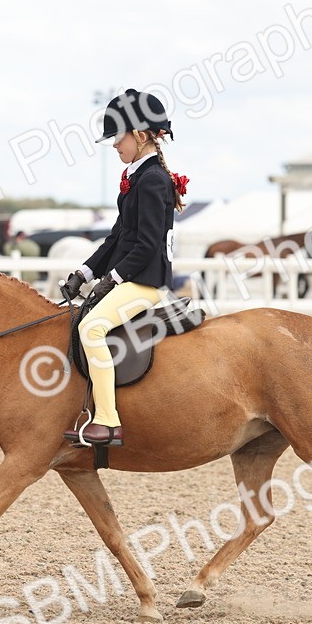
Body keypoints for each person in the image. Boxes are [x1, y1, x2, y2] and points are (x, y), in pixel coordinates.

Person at [61, 88, 188, 448]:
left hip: (145, 283)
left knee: (93, 328)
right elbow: (117, 238)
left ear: (141, 135)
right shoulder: (136, 178)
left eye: (118, 137)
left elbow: (146, 245)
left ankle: (108, 421)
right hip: (130, 277)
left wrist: (112, 279)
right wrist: (84, 274)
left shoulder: (152, 181)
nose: (115, 145)